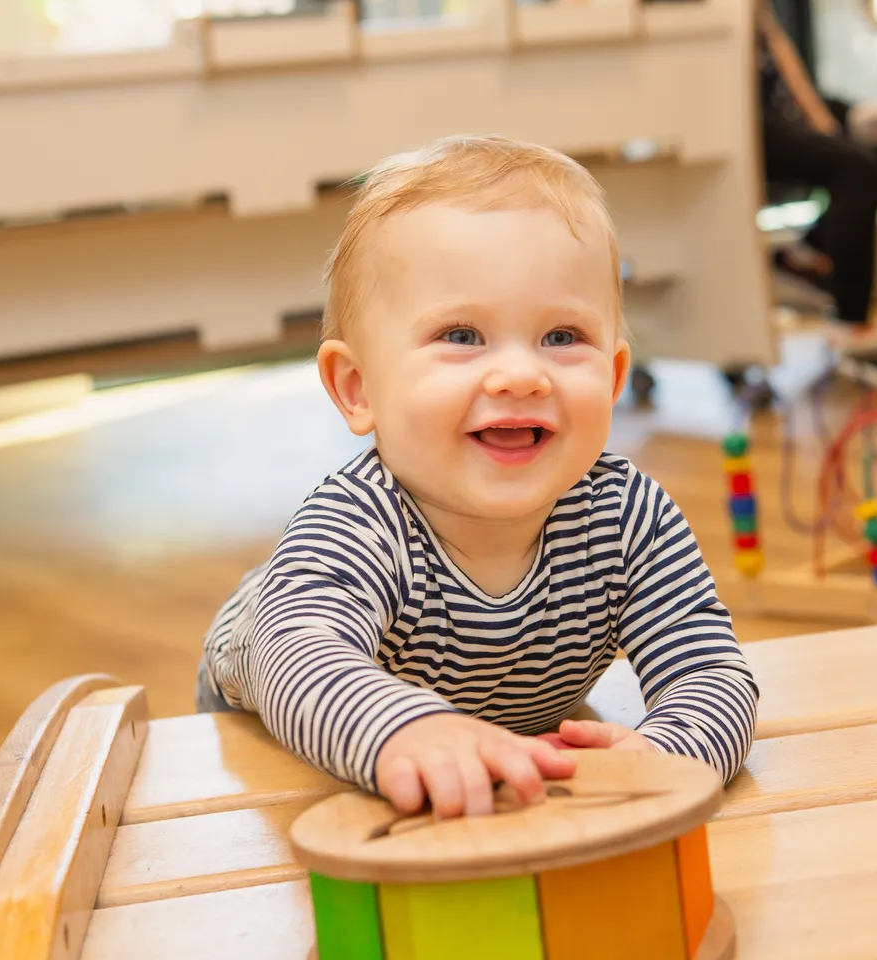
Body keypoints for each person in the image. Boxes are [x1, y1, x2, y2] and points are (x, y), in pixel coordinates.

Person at [196, 135, 760, 820]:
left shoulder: (628, 517)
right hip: (284, 728)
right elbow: (296, 656)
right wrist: (408, 729)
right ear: (357, 388)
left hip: (501, 736)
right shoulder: (358, 523)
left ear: (613, 379)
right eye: (462, 336)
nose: (522, 375)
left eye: (562, 337)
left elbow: (710, 672)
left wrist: (670, 752)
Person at [758, 2, 877, 327]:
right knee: (857, 166)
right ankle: (852, 317)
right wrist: (819, 124)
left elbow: (777, 43)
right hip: (753, 119)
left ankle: (809, 251)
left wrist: (816, 113)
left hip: (786, 101)